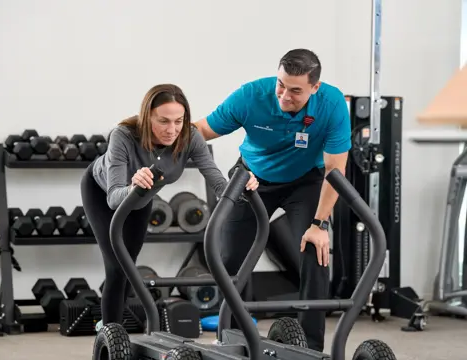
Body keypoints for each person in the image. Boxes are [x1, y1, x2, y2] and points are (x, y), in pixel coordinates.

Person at [194, 48, 351, 352]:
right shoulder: (251, 96)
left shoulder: (332, 104)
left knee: (315, 253)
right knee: (228, 258)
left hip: (306, 180)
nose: (284, 95)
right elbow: (201, 130)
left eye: (295, 90)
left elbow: (335, 170)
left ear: (314, 88)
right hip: (252, 178)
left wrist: (319, 225)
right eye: (281, 84)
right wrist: (162, 139)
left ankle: (310, 349)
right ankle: (234, 341)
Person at [80, 84, 259, 330]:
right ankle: (110, 332)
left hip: (141, 199)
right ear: (147, 117)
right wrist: (133, 187)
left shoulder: (190, 137)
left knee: (128, 265)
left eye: (179, 121)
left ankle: (113, 325)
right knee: (117, 265)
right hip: (102, 194)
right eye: (163, 121)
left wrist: (242, 185)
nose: (172, 130)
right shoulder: (123, 135)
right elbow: (113, 196)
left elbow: (218, 184)